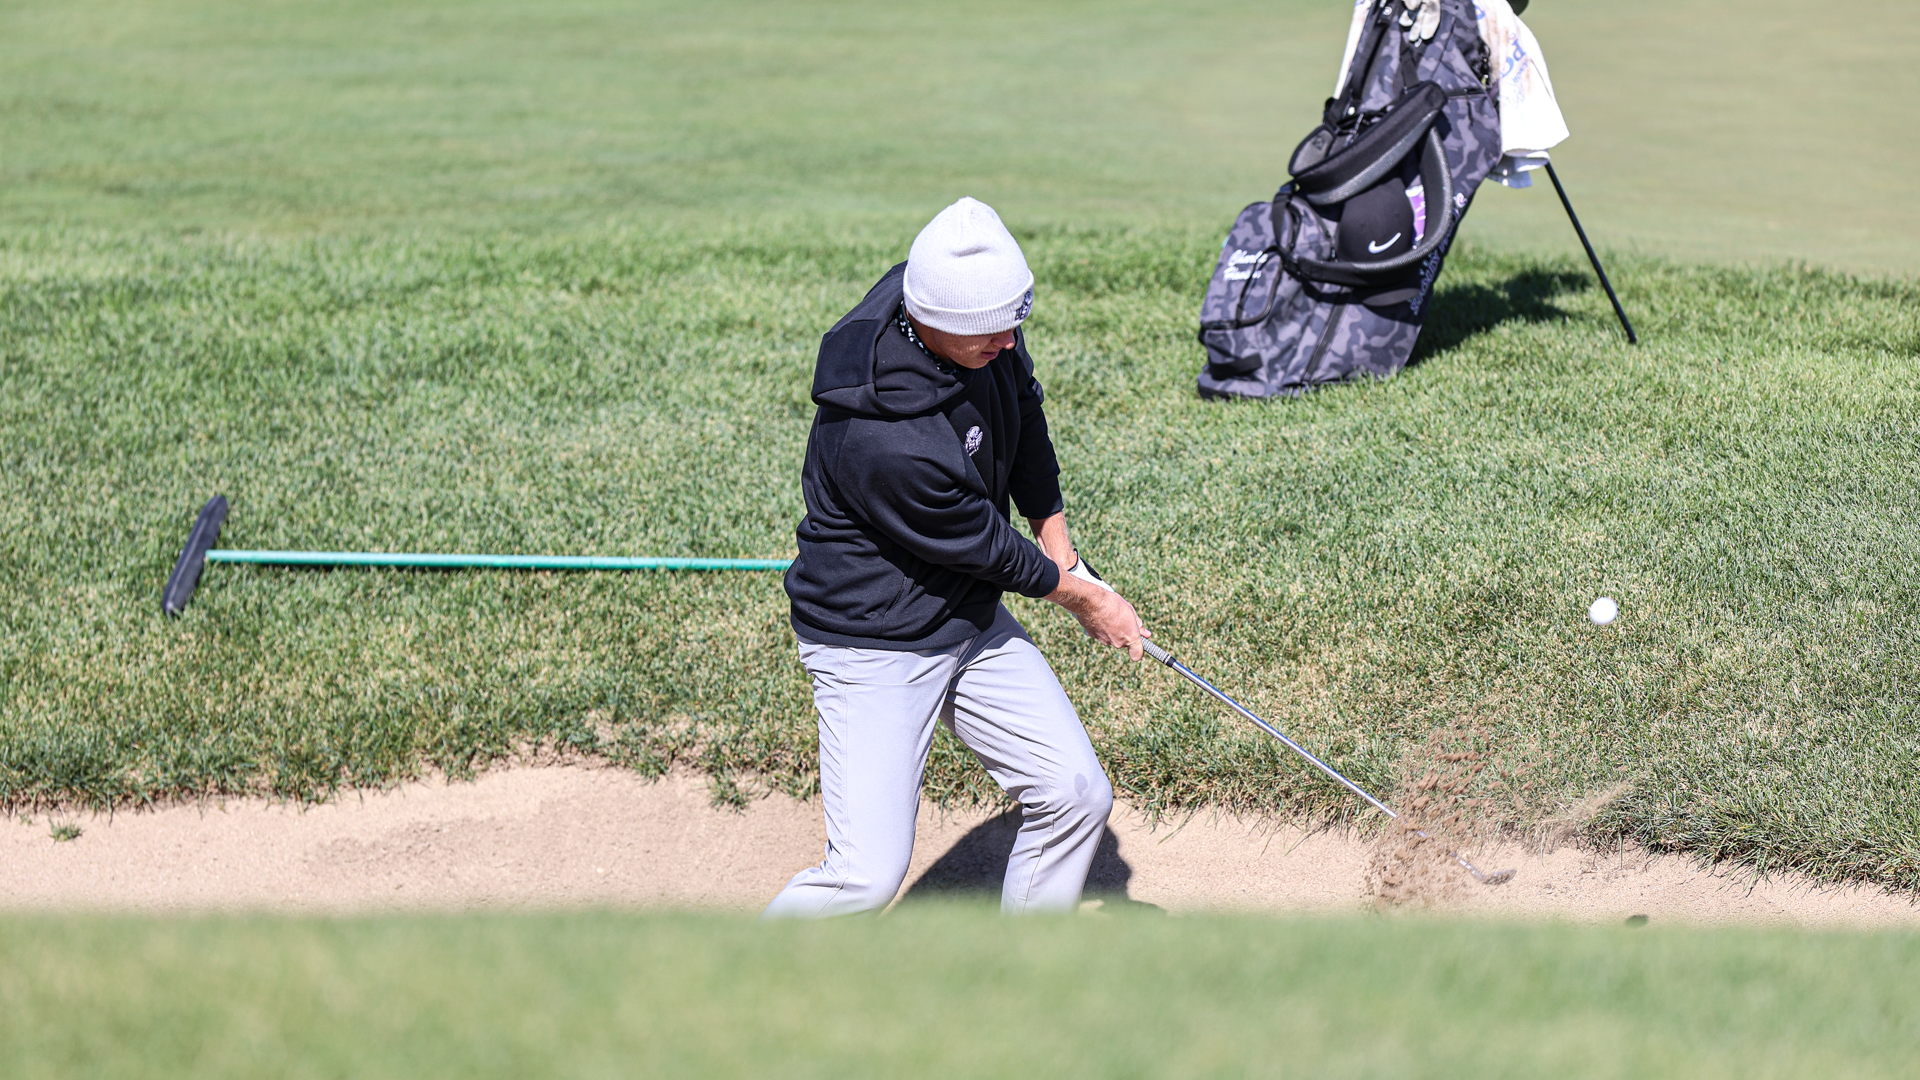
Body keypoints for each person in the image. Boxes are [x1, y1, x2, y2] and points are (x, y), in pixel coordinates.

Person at [765, 197, 1149, 917]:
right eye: (990, 335)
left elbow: (1022, 408)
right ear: (932, 319)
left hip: (963, 618)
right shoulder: (882, 437)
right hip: (872, 643)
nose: (1008, 342)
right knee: (864, 878)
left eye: (1015, 324)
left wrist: (1061, 544)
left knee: (1074, 792)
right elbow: (986, 547)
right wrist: (1089, 599)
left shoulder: (978, 317)